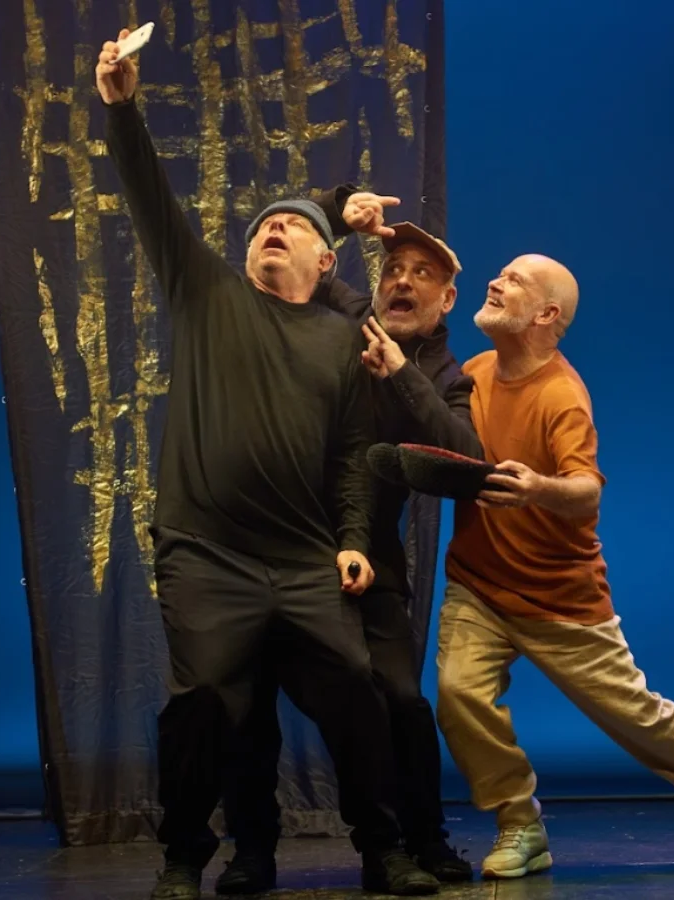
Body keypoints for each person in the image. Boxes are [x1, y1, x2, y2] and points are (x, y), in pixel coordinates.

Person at [96, 31, 439, 900]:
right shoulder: (208, 296)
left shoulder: (342, 338)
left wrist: (352, 538)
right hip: (208, 556)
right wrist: (123, 108)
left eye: (292, 225)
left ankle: (385, 851)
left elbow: (352, 459)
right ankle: (184, 858)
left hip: (304, 561)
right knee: (209, 700)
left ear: (326, 261)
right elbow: (149, 198)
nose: (272, 230)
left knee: (358, 688)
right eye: (261, 228)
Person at [434, 253, 674, 879]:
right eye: (501, 273)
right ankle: (520, 825)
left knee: (636, 718)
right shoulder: (476, 372)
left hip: (559, 599)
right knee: (459, 695)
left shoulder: (561, 395)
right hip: (478, 587)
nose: (495, 282)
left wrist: (538, 488)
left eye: (513, 281)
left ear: (546, 314)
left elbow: (587, 491)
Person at [220, 218, 482, 894]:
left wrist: (400, 376)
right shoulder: (350, 315)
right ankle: (252, 850)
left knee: (400, 698)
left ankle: (422, 839)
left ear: (447, 299)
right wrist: (340, 209)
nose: (402, 281)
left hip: (373, 563)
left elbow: (467, 461)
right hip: (283, 552)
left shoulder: (449, 378)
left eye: (422, 274)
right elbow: (295, 245)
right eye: (394, 268)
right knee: (247, 700)